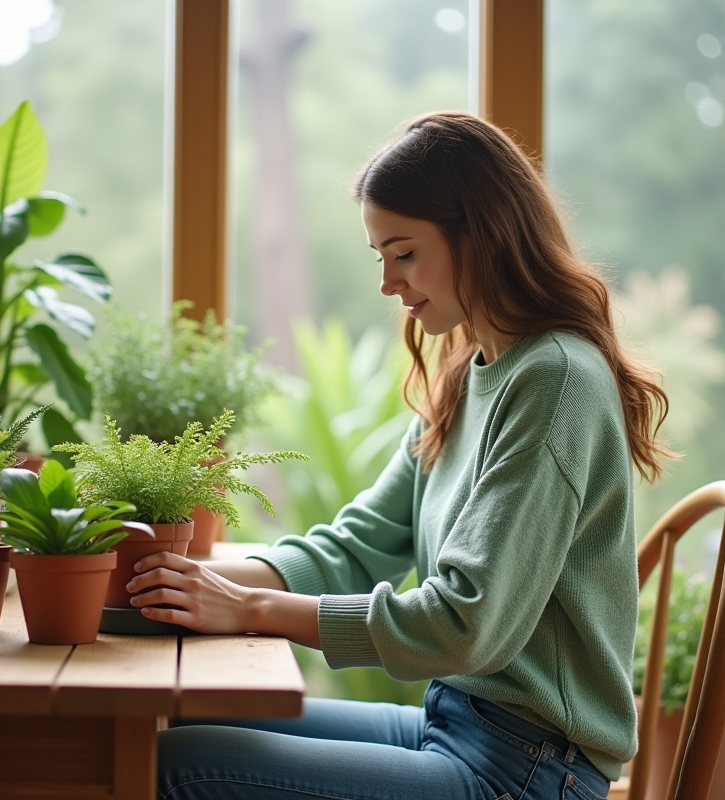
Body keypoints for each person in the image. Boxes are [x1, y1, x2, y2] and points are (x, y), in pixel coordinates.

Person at [129, 111, 670, 800]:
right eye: (380, 257)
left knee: (179, 768)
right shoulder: (469, 370)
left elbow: (464, 624)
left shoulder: (556, 379)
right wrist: (210, 582)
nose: (389, 281)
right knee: (179, 715)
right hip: (457, 724)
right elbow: (360, 542)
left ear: (482, 232)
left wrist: (251, 609)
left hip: (530, 769)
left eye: (405, 252)